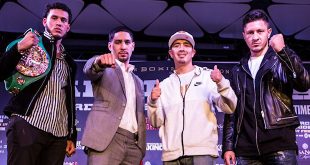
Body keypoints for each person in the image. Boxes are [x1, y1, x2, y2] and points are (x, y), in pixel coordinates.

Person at [222, 9, 310, 165]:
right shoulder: (238, 70)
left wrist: (283, 51)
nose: (255, 37)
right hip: (246, 151)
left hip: (280, 146)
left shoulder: (281, 59)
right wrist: (228, 146)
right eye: (250, 32)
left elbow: (303, 84)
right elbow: (232, 111)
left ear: (269, 32)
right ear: (244, 35)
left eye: (260, 31)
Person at [0, 2, 77, 165]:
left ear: (68, 27)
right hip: (28, 123)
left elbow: (69, 101)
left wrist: (71, 135)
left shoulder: (70, 62)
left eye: (63, 20)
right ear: (44, 22)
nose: (58, 23)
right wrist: (19, 48)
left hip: (58, 134)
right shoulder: (30, 44)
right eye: (54, 18)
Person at [147, 31, 237, 165]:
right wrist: (153, 102)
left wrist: (221, 83)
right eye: (177, 45)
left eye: (186, 45)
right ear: (171, 53)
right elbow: (156, 122)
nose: (182, 48)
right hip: (171, 157)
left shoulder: (207, 77)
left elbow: (230, 107)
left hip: (202, 154)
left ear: (193, 52)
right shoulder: (164, 85)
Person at [81, 26, 146, 165]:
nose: (123, 46)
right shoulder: (105, 68)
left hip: (133, 146)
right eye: (118, 42)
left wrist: (140, 147)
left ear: (133, 46)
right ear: (110, 46)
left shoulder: (139, 82)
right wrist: (98, 62)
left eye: (127, 42)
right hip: (107, 139)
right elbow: (90, 69)